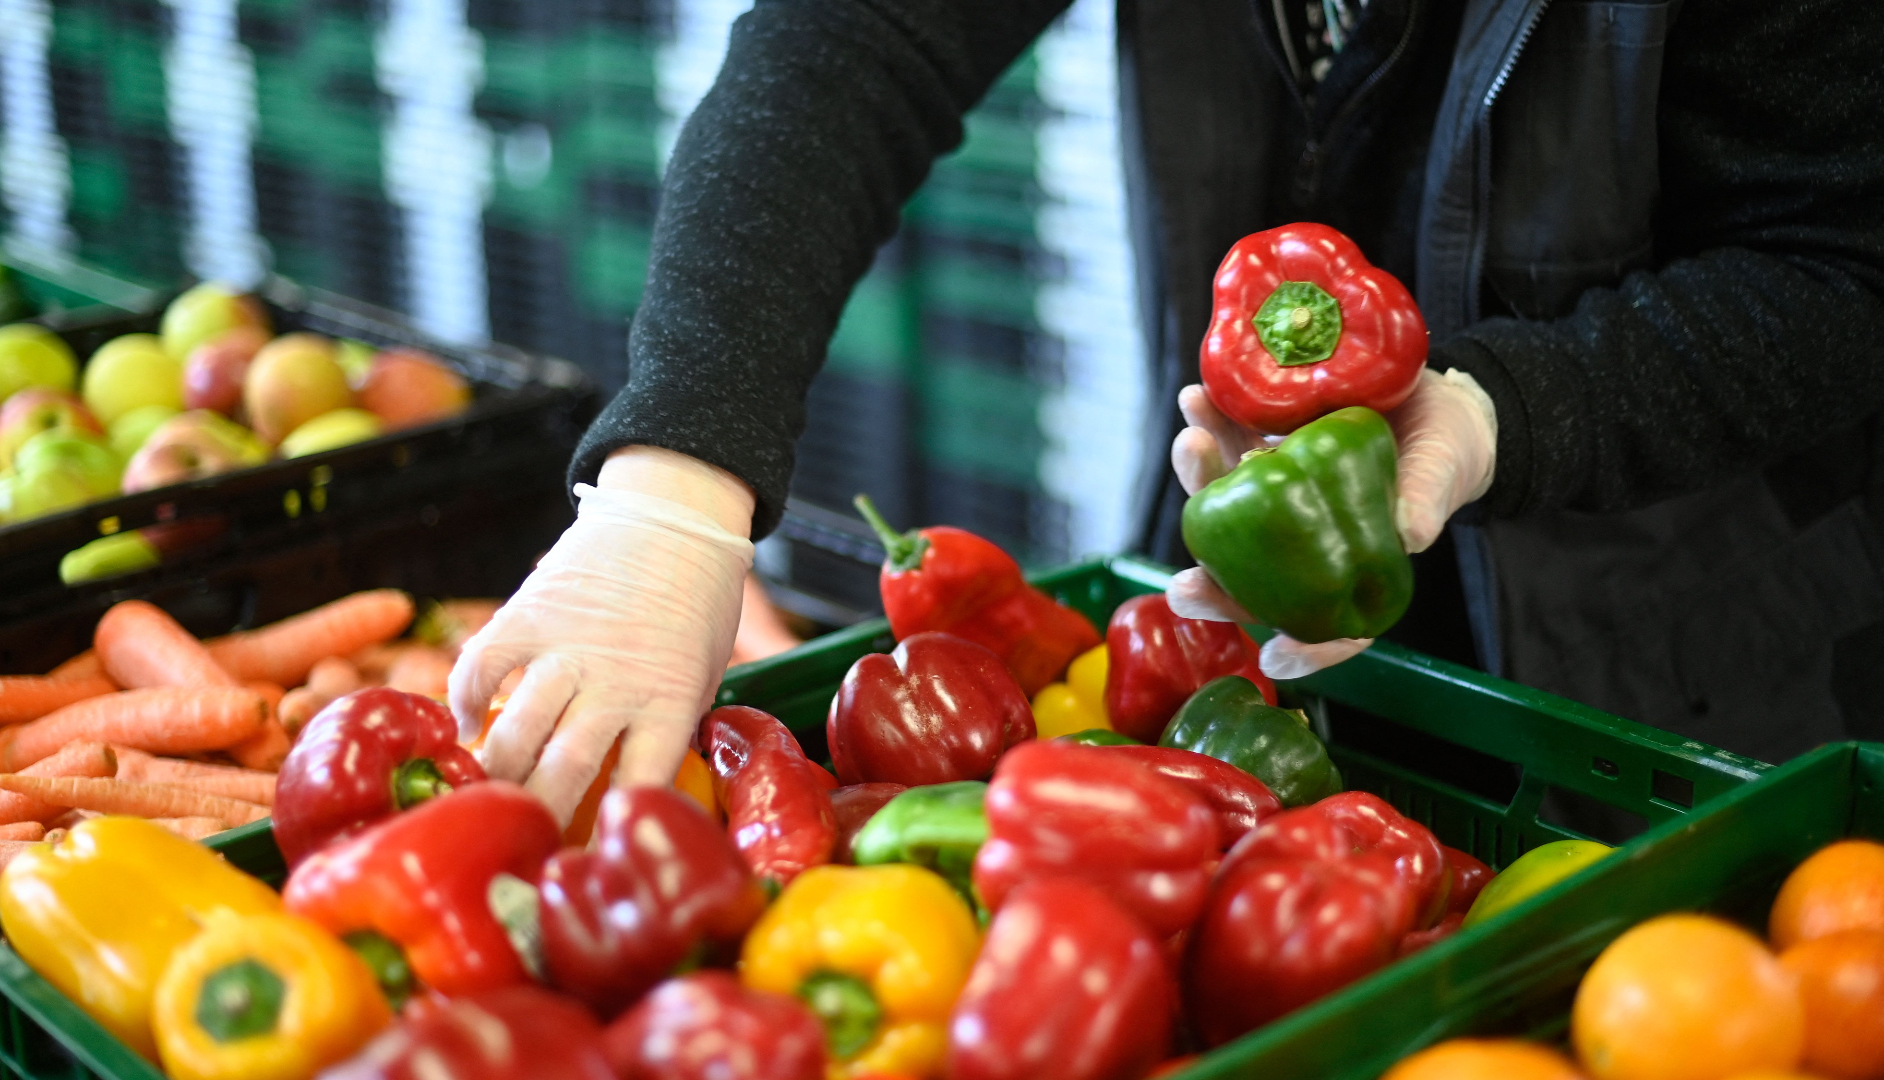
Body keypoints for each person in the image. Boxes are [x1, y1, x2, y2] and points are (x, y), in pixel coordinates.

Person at [450, 0, 1884, 824]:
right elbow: (862, 35)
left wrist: (1507, 413)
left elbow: (1843, 254)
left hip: (1680, 696)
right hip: (1234, 594)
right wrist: (670, 488)